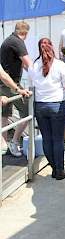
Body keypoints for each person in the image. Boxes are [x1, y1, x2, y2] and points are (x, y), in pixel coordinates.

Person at [28, 38, 65, 180]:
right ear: (52, 47)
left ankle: (54, 167)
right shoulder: (60, 65)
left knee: (47, 139)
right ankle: (59, 170)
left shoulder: (34, 65)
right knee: (58, 139)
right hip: (57, 105)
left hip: (40, 106)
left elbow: (32, 84)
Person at [0, 21, 33, 157]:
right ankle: (13, 142)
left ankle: (4, 145)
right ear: (24, 33)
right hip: (10, 84)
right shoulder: (17, 42)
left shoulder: (7, 40)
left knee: (5, 115)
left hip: (4, 84)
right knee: (27, 111)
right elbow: (28, 63)